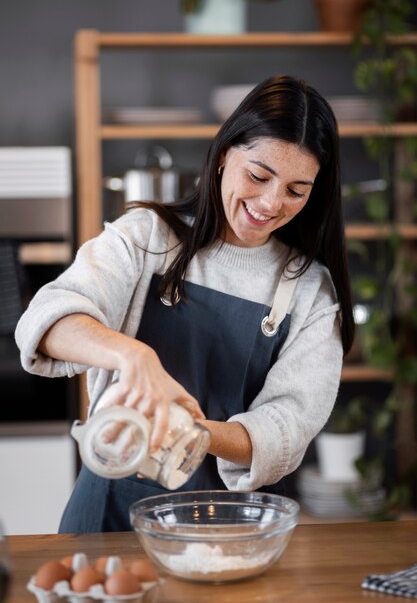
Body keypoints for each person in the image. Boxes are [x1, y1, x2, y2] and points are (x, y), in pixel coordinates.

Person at [15, 74, 354, 533]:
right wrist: (133, 356)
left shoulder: (311, 290)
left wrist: (189, 433)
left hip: (236, 526)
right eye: (258, 175)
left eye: (297, 190)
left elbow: (287, 429)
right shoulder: (147, 236)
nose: (271, 203)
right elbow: (48, 317)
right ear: (222, 156)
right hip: (113, 509)